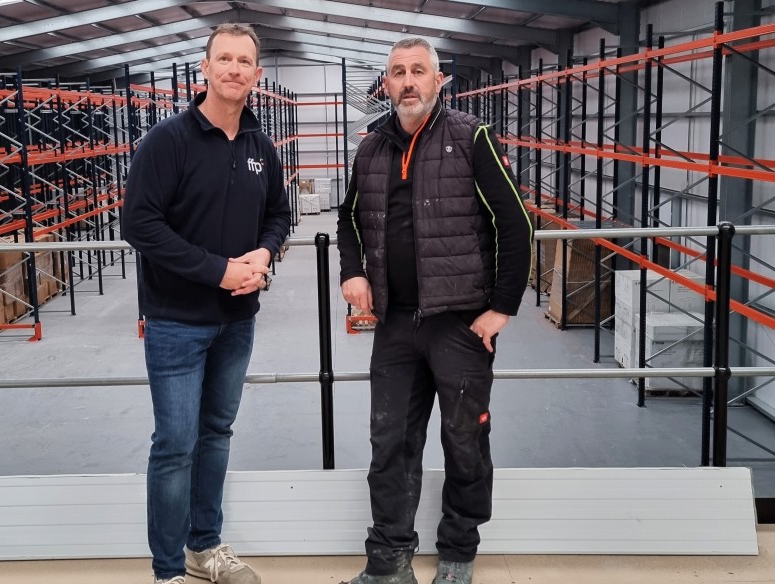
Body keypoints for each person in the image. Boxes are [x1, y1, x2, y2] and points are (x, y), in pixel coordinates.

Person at [336, 37, 533, 584]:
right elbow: (347, 219)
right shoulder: (371, 149)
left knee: (464, 438)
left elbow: (515, 223)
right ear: (386, 84)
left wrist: (501, 309)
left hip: (460, 323)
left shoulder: (471, 137)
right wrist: (352, 272)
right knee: (390, 441)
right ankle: (389, 561)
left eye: (418, 71)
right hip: (395, 323)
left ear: (438, 80)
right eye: (398, 72)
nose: (408, 81)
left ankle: (458, 552)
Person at [122, 23, 291, 584]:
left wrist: (263, 255)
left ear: (257, 75)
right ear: (206, 68)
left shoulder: (260, 146)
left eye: (244, 61)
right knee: (175, 444)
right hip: (176, 321)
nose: (234, 69)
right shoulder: (168, 141)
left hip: (237, 322)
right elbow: (139, 224)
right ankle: (168, 570)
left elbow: (278, 214)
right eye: (224, 59)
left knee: (216, 433)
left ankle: (205, 546)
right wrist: (218, 271)